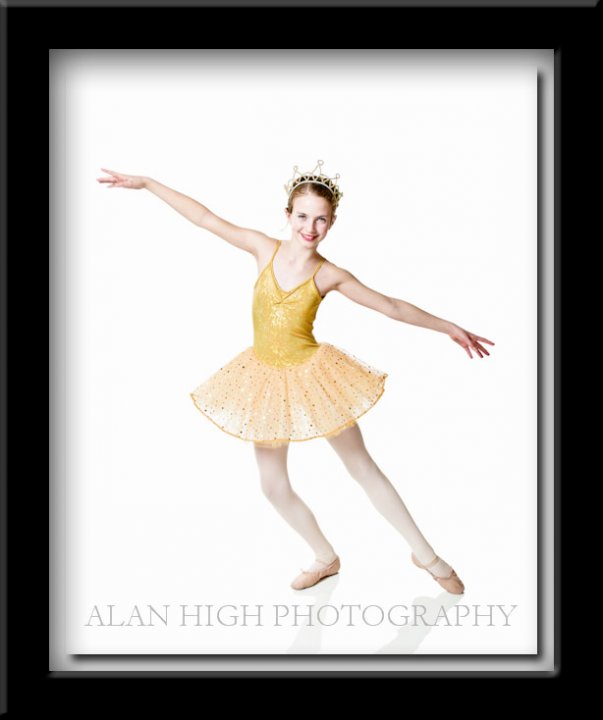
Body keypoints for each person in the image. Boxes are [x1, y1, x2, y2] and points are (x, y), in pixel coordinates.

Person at [97, 160, 495, 594]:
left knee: (361, 466)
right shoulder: (262, 248)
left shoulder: (329, 274)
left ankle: (427, 556)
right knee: (272, 486)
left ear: (332, 222)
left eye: (321, 219)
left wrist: (448, 327)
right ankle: (325, 557)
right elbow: (205, 218)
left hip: (313, 377)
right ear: (288, 215)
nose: (310, 227)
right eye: (303, 216)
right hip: (264, 380)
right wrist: (148, 183)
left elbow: (391, 306)